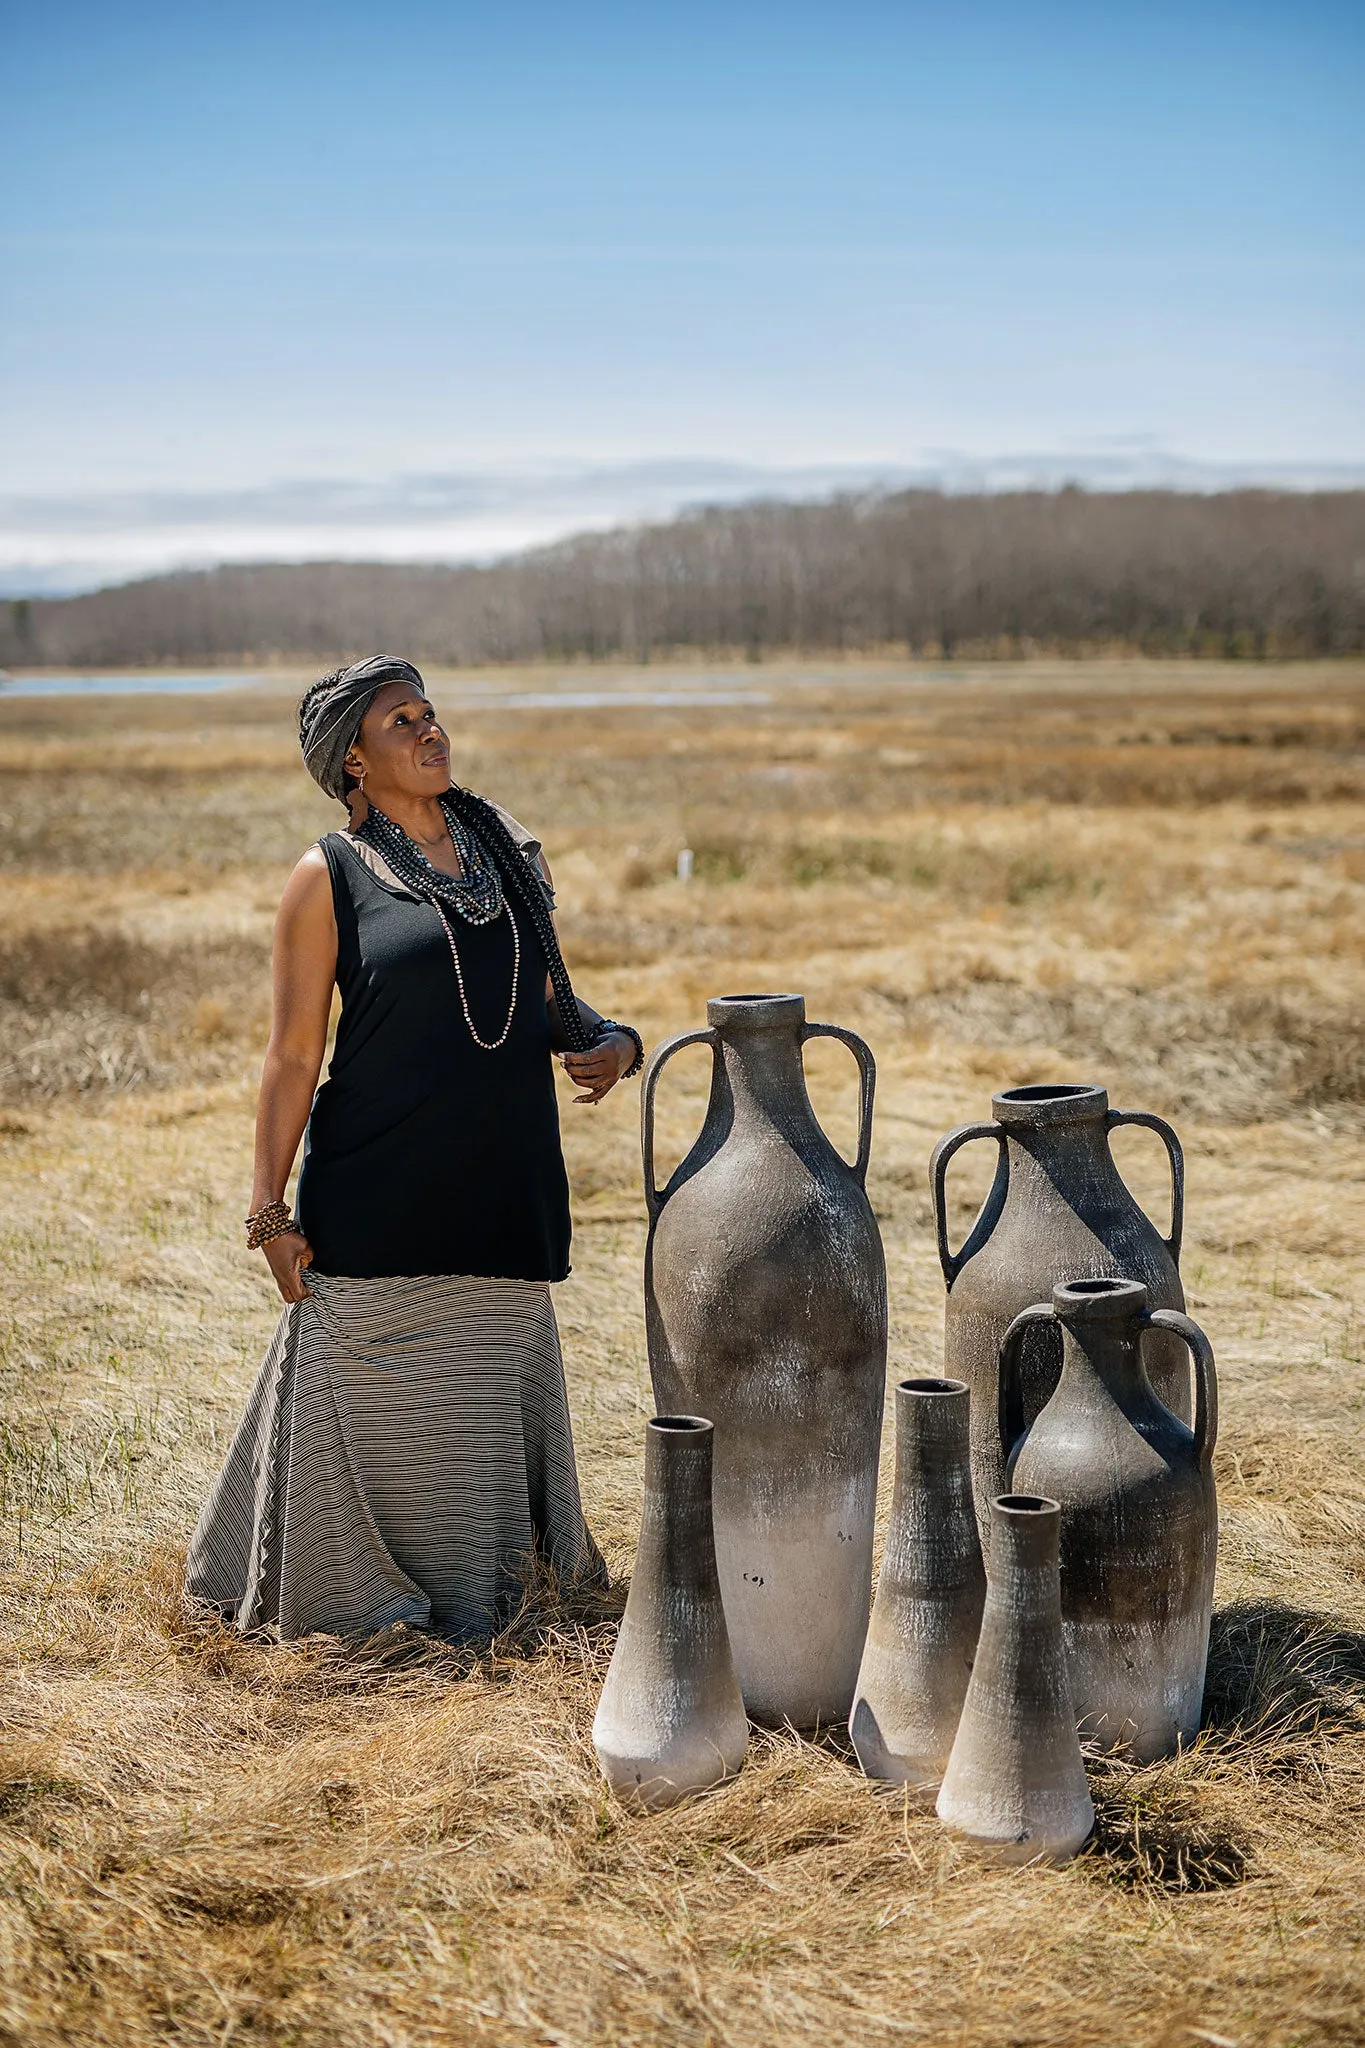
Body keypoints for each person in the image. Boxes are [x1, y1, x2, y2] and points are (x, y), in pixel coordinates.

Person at [186, 656, 642, 1642]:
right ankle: (345, 1607)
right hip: (376, 1204)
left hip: (503, 1199)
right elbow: (293, 1051)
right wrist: (269, 1212)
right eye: (403, 722)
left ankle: (492, 1597)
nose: (432, 732)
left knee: (474, 1427)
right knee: (363, 1417)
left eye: (431, 715)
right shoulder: (329, 875)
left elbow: (557, 1004)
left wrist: (618, 1044)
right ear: (352, 758)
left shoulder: (505, 853)